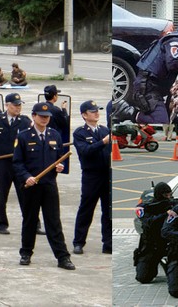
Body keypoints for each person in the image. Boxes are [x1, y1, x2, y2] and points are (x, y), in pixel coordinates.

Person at [13, 102, 75, 271]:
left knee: (54, 222)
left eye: (47, 117)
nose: (44, 119)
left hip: (49, 185)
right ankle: (26, 253)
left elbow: (59, 158)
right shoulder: (24, 137)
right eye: (41, 116)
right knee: (30, 220)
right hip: (31, 185)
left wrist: (59, 167)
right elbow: (17, 163)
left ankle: (63, 257)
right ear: (33, 116)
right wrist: (27, 177)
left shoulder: (54, 135)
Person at [116, 15, 178, 124]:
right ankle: (129, 112)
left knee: (170, 117)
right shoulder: (175, 41)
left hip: (161, 87)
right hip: (147, 87)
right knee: (161, 122)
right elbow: (173, 64)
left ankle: (168, 114)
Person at [0, 93, 31, 234]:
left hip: (20, 164)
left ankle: (33, 222)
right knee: (1, 195)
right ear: (7, 105)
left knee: (26, 195)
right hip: (2, 163)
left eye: (20, 105)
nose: (18, 108)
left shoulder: (25, 121)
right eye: (15, 105)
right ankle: (1, 224)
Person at [72, 101, 112, 255]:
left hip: (106, 174)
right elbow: (85, 151)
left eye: (97, 110)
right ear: (84, 115)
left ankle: (108, 243)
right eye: (92, 111)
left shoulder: (104, 130)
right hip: (91, 175)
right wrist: (102, 142)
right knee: (86, 209)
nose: (96, 113)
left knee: (108, 211)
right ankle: (79, 242)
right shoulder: (80, 133)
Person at [133, 182, 175, 283]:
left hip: (167, 243)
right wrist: (165, 214)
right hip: (151, 246)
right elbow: (150, 222)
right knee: (143, 278)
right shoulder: (145, 207)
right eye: (165, 195)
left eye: (170, 194)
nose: (168, 197)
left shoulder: (172, 204)